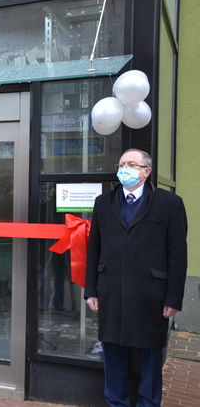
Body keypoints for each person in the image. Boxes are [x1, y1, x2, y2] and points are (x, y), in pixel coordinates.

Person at [85, 149, 187, 406]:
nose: (124, 168)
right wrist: (91, 290)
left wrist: (173, 298)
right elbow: (93, 249)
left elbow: (177, 255)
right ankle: (115, 402)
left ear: (146, 171)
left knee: (150, 358)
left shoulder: (169, 204)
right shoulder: (103, 202)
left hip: (150, 294)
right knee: (113, 354)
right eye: (121, 164)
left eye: (131, 164)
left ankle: (147, 403)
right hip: (111, 292)